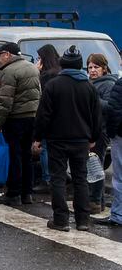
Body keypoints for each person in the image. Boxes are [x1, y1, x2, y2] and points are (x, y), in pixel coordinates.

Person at [33, 46, 101, 232]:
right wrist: (93, 138)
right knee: (80, 179)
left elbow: (43, 115)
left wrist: (38, 137)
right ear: (80, 66)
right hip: (81, 140)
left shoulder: (53, 85)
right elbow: (96, 116)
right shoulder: (88, 87)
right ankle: (83, 220)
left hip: (57, 140)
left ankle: (61, 220)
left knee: (58, 179)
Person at [0, 42, 40, 206]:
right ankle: (27, 193)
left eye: (0, 54)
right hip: (31, 117)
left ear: (7, 54)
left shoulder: (9, 71)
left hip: (15, 118)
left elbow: (5, 101)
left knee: (15, 156)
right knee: (27, 156)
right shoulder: (32, 68)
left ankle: (14, 193)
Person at [86, 53, 116, 213]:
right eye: (90, 67)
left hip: (100, 132)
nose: (92, 70)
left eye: (96, 67)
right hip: (88, 130)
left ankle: (97, 201)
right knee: (90, 168)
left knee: (96, 167)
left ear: (104, 68)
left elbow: (109, 107)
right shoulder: (90, 82)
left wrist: (92, 99)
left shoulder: (108, 84)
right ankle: (96, 202)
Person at [32, 44, 62, 193]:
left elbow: (40, 96)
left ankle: (47, 179)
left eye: (39, 58)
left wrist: (36, 72)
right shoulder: (61, 71)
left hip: (49, 116)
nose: (37, 61)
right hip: (62, 118)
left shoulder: (46, 75)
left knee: (44, 148)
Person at [96, 66, 122, 228]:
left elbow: (113, 111)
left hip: (120, 135)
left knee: (119, 177)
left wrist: (112, 132)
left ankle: (118, 214)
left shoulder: (120, 85)